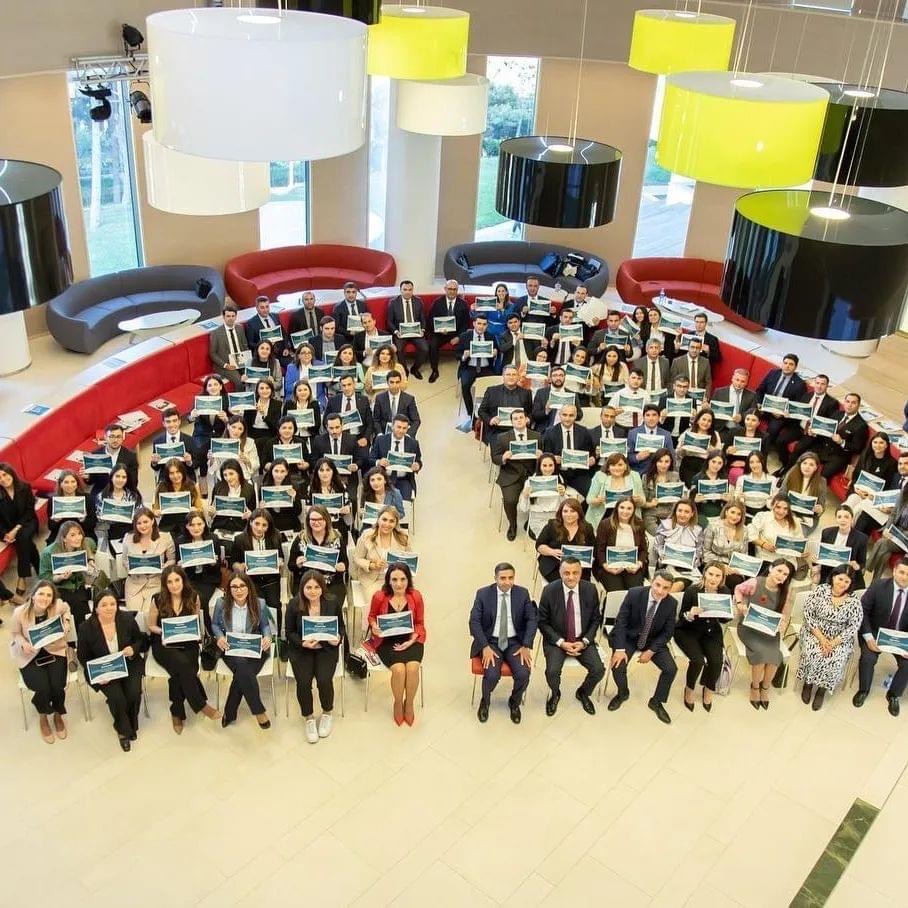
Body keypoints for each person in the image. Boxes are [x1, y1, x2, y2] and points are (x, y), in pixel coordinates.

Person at [147, 565, 220, 732]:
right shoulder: (157, 599)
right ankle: (200, 704)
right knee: (183, 664)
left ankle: (177, 711)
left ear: (183, 580)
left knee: (180, 670)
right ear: (165, 584)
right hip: (163, 644)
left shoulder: (194, 597)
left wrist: (189, 633)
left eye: (177, 580)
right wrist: (165, 632)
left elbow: (194, 623)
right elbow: (151, 625)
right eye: (169, 582)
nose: (174, 585)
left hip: (187, 641)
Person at [77, 588, 145, 751]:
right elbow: (83, 657)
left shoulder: (127, 619)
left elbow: (141, 640)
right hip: (103, 669)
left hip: (128, 663)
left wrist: (133, 649)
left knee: (133, 693)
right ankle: (123, 731)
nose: (109, 608)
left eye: (112, 604)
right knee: (117, 698)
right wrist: (98, 675)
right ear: (96, 608)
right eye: (104, 605)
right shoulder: (86, 628)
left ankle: (131, 724)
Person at [468, 562, 536, 724]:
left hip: (514, 642)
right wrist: (484, 646)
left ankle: (514, 702)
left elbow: (532, 620)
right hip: (491, 641)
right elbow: (474, 622)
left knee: (523, 674)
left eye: (510, 578)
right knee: (492, 674)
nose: (507, 582)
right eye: (503, 578)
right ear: (495, 578)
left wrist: (526, 645)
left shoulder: (522, 593)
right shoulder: (483, 594)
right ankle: (485, 701)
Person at [608, 570, 679, 724]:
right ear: (651, 582)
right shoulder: (634, 594)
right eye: (657, 585)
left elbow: (668, 632)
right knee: (618, 666)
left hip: (653, 640)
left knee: (671, 669)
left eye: (665, 588)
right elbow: (621, 622)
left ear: (670, 589)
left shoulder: (671, 603)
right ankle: (622, 693)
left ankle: (656, 702)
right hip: (630, 637)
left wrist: (652, 650)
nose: (660, 591)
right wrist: (619, 650)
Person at [537, 557, 604, 716]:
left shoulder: (590, 589)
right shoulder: (549, 591)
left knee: (598, 670)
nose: (571, 577)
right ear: (560, 573)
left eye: (575, 573)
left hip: (582, 639)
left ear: (581, 573)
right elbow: (542, 622)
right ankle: (555, 694)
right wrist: (561, 642)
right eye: (566, 573)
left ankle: (583, 693)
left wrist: (585, 641)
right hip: (557, 641)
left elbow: (596, 619)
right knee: (552, 672)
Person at [9, 581, 72, 743]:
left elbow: (67, 609)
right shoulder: (19, 613)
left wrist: (66, 622)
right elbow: (15, 633)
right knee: (42, 686)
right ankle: (43, 715)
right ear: (33, 595)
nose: (45, 598)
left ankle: (58, 713)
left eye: (49, 595)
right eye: (41, 594)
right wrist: (23, 643)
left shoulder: (57, 605)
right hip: (30, 654)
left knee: (58, 684)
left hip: (54, 649)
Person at [285, 570, 344, 743]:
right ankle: (309, 718)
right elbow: (289, 632)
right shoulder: (294, 604)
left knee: (324, 679)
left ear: (322, 587)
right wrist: (302, 643)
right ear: (302, 588)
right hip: (302, 649)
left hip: (326, 648)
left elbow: (341, 627)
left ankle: (327, 712)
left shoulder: (332, 602)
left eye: (316, 587)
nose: (312, 591)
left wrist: (338, 638)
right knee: (303, 681)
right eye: (308, 587)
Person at [365, 562, 426, 726]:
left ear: (408, 579)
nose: (399, 584)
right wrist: (374, 626)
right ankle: (398, 703)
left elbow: (420, 622)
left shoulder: (416, 596)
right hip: (386, 641)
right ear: (388, 580)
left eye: (403, 579)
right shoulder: (379, 597)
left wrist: (411, 640)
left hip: (411, 640)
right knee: (399, 670)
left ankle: (409, 703)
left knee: (412, 668)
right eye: (394, 580)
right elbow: (371, 616)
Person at [212, 571, 273, 729]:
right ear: (229, 589)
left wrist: (267, 637)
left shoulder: (259, 603)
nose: (238, 590)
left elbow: (265, 626)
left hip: (255, 647)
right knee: (241, 665)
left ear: (248, 587)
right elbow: (215, 625)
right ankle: (259, 711)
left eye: (242, 586)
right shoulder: (221, 603)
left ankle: (229, 712)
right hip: (230, 647)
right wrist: (219, 637)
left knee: (242, 673)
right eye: (234, 587)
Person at [797, 567, 863, 711]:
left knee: (835, 659)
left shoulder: (854, 601)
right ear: (833, 577)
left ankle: (822, 690)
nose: (842, 583)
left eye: (847, 581)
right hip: (815, 632)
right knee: (812, 653)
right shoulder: (821, 590)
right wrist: (821, 639)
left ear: (851, 583)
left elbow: (854, 626)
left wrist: (833, 643)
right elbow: (808, 614)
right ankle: (808, 684)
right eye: (840, 579)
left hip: (839, 638)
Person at [734, 558, 794, 709]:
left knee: (775, 657)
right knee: (761, 656)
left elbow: (785, 615)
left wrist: (782, 625)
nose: (781, 576)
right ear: (771, 568)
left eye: (785, 574)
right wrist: (740, 603)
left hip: (769, 630)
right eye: (779, 571)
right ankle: (755, 687)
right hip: (749, 627)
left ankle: (765, 688)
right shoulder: (755, 582)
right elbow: (738, 589)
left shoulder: (785, 592)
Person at [853, 560, 908, 715]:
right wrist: (868, 637)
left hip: (901, 637)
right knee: (867, 658)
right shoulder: (878, 585)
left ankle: (893, 695)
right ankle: (863, 690)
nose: (904, 577)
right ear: (894, 571)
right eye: (902, 572)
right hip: (875, 632)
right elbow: (862, 611)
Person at [674, 563, 731, 713]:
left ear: (722, 578)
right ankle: (689, 689)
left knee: (716, 661)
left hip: (711, 631)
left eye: (717, 576)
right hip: (688, 631)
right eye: (711, 574)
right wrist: (690, 614)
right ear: (704, 573)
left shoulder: (725, 592)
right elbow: (682, 617)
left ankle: (709, 688)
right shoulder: (692, 590)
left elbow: (724, 620)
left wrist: (728, 614)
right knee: (697, 660)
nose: (713, 578)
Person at [791, 391, 868, 479]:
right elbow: (824, 430)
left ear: (858, 405)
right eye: (847, 401)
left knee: (823, 476)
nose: (849, 405)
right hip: (823, 448)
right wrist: (815, 431)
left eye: (853, 403)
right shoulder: (837, 414)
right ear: (844, 402)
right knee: (803, 461)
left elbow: (857, 448)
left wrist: (842, 442)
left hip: (839, 456)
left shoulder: (861, 425)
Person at [231, 509, 284, 634]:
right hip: (250, 581)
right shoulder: (240, 539)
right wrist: (239, 566)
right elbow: (233, 562)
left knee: (274, 607)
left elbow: (281, 556)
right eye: (257, 524)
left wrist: (280, 562)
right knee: (255, 607)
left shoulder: (276, 536)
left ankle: (275, 637)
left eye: (264, 525)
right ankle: (257, 636)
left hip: (271, 580)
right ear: (250, 522)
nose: (260, 528)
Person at [490, 408, 540, 540]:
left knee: (538, 498)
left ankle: (531, 523)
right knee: (510, 500)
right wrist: (503, 457)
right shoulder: (502, 438)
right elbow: (495, 457)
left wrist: (540, 456)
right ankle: (513, 525)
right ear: (511, 422)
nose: (519, 420)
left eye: (521, 417)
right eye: (515, 419)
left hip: (531, 474)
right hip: (511, 474)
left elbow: (546, 458)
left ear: (526, 420)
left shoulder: (537, 436)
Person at [38, 520, 98, 628]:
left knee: (86, 609)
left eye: (79, 534)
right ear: (64, 538)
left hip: (79, 587)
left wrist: (90, 559)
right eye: (73, 535)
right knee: (76, 607)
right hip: (60, 589)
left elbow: (91, 543)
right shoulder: (48, 553)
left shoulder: (83, 543)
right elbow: (44, 578)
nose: (78, 537)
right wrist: (60, 577)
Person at [288, 505, 347, 611]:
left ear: (326, 520)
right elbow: (290, 565)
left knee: (331, 607)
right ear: (308, 521)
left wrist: (342, 566)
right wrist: (297, 564)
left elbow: (345, 562)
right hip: (305, 583)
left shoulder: (337, 538)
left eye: (320, 519)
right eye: (313, 519)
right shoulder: (300, 538)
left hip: (332, 583)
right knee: (302, 607)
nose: (316, 522)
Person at [779, 374, 841, 470]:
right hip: (800, 427)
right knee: (780, 441)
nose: (819, 386)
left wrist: (817, 431)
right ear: (814, 383)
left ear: (827, 386)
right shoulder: (807, 395)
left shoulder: (832, 403)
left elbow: (829, 423)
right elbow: (798, 412)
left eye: (822, 384)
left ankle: (785, 472)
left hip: (813, 434)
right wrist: (789, 414)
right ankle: (785, 464)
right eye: (817, 383)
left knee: (798, 449)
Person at [122, 507, 176, 618]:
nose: (143, 526)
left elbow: (172, 560)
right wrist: (131, 568)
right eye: (139, 523)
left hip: (155, 583)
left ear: (152, 521)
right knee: (134, 618)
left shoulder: (165, 538)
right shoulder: (128, 538)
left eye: (145, 522)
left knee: (148, 616)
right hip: (134, 584)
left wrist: (162, 567)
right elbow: (124, 560)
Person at [352, 506, 411, 602]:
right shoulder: (367, 535)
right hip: (372, 580)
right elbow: (357, 558)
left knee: (402, 603)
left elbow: (409, 561)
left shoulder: (403, 537)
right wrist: (371, 565)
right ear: (378, 519)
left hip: (397, 581)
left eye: (391, 521)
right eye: (384, 519)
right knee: (378, 602)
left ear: (396, 523)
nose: (387, 524)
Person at [755, 353, 808, 458]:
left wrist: (783, 414)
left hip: (780, 414)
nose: (787, 366)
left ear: (795, 367)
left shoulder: (800, 384)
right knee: (750, 415)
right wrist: (759, 403)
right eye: (785, 363)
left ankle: (762, 453)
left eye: (791, 364)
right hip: (765, 407)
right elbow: (759, 390)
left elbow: (797, 405)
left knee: (773, 429)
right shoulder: (773, 373)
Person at [0, 462, 41, 600]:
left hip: (27, 522)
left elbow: (29, 511)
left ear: (11, 473)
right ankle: (39, 566)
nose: (3, 479)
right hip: (7, 528)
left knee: (22, 536)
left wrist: (16, 529)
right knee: (26, 542)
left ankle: (22, 576)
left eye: (5, 474)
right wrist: (5, 534)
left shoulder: (24, 487)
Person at [517, 454, 581, 540]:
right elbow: (523, 509)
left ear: (555, 466)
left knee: (558, 540)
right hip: (537, 517)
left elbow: (565, 506)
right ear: (539, 466)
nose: (548, 469)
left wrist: (563, 494)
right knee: (544, 539)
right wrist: (525, 496)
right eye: (544, 465)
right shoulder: (530, 482)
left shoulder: (559, 479)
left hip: (555, 517)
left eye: (551, 465)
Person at [843, 434, 899, 529]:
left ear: (886, 445)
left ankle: (848, 530)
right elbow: (856, 475)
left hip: (874, 498)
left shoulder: (892, 463)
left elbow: (889, 487)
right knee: (849, 503)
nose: (877, 445)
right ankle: (842, 528)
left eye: (881, 443)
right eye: (875, 442)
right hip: (859, 492)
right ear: (871, 443)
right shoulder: (865, 456)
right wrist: (857, 490)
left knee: (858, 509)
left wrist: (873, 497)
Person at [174, 509, 221, 621]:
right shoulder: (180, 541)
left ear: (205, 524)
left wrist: (213, 563)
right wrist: (180, 567)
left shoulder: (213, 539)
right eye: (192, 525)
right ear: (187, 526)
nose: (196, 528)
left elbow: (218, 567)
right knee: (185, 598)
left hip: (207, 579)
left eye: (199, 524)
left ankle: (206, 626)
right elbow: (177, 569)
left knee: (199, 598)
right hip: (188, 579)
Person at [541, 404, 597, 496]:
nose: (567, 418)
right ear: (560, 415)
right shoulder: (550, 433)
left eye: (571, 415)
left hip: (579, 474)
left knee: (591, 495)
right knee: (556, 494)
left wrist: (593, 458)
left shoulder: (584, 432)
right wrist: (552, 458)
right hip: (558, 472)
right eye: (565, 415)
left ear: (575, 416)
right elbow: (545, 455)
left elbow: (592, 452)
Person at [593, 497, 647, 591]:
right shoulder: (605, 524)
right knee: (617, 592)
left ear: (634, 510)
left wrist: (638, 564)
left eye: (629, 508)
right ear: (616, 508)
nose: (625, 511)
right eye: (622, 507)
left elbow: (643, 549)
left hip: (632, 567)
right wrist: (607, 567)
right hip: (609, 567)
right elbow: (599, 550)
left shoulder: (639, 524)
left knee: (636, 591)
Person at [535, 499, 595, 583]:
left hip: (580, 568)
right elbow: (539, 545)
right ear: (561, 513)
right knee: (562, 585)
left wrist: (585, 562)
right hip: (554, 565)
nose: (569, 514)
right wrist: (551, 551)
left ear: (579, 513)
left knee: (582, 586)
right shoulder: (552, 525)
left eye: (572, 511)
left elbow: (593, 549)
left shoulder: (587, 528)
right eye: (565, 511)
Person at [812, 505, 868, 591]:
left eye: (846, 517)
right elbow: (822, 555)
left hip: (848, 573)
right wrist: (815, 561)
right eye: (839, 517)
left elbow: (862, 563)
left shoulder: (861, 538)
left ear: (852, 519)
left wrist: (856, 566)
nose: (843, 520)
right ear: (836, 519)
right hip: (829, 571)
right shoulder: (827, 533)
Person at [370, 415, 423, 503]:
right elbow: (370, 459)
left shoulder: (413, 443)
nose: (401, 431)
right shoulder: (381, 440)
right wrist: (379, 462)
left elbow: (419, 461)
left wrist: (417, 466)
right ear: (392, 426)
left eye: (404, 428)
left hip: (404, 480)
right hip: (384, 479)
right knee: (383, 504)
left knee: (404, 505)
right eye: (399, 427)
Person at [585, 453, 644, 530]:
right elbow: (589, 499)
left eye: (620, 465)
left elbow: (643, 501)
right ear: (608, 467)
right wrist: (597, 500)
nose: (617, 468)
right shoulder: (600, 476)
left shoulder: (634, 476)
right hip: (605, 515)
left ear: (626, 466)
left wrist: (639, 500)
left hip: (628, 515)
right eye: (613, 465)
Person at [654, 499, 704, 591]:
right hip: (667, 565)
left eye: (686, 512)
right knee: (675, 584)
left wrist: (694, 560)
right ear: (675, 511)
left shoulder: (698, 530)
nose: (682, 514)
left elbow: (699, 551)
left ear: (692, 514)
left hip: (688, 569)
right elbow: (657, 546)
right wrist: (662, 554)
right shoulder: (665, 525)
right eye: (680, 510)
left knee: (692, 585)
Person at [477, 365, 533, 444]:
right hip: (497, 430)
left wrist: (528, 419)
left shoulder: (526, 393)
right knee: (500, 450)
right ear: (503, 376)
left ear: (518, 377)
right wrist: (490, 420)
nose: (511, 377)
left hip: (519, 430)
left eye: (514, 375)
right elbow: (481, 411)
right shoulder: (492, 391)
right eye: (508, 374)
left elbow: (531, 412)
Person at [427, 279, 470, 382]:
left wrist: (459, 337)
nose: (452, 291)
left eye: (454, 289)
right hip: (440, 333)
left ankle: (465, 369)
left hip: (456, 333)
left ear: (457, 290)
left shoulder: (463, 304)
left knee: (466, 342)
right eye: (450, 289)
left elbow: (465, 324)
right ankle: (434, 370)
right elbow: (430, 320)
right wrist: (439, 330)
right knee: (433, 344)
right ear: (445, 289)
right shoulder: (437, 302)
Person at [189, 374, 230, 480]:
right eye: (210, 385)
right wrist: (192, 416)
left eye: (216, 384)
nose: (213, 387)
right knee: (199, 453)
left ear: (221, 386)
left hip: (220, 434)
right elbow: (189, 418)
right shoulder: (199, 400)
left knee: (222, 456)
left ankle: (219, 478)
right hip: (202, 434)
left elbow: (234, 422)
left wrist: (226, 419)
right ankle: (202, 479)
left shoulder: (227, 400)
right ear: (206, 388)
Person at [749, 495, 805, 572]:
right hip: (767, 559)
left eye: (785, 509)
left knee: (783, 574)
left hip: (788, 561)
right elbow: (751, 534)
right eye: (778, 507)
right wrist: (763, 544)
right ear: (772, 506)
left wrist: (800, 552)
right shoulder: (763, 516)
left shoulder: (795, 521)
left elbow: (800, 542)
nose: (781, 512)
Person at [776, 451, 827, 533]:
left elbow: (822, 505)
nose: (807, 467)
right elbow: (782, 493)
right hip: (788, 511)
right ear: (800, 464)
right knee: (779, 530)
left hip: (808, 517)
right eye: (805, 463)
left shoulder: (822, 482)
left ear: (816, 467)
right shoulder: (791, 474)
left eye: (811, 465)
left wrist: (820, 509)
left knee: (797, 534)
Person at [387, 279, 429, 379]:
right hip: (400, 332)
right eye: (405, 289)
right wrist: (396, 332)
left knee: (425, 349)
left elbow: (423, 318)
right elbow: (389, 321)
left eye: (410, 290)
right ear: (400, 290)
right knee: (399, 349)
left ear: (412, 290)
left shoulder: (418, 301)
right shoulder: (393, 302)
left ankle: (415, 368)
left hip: (415, 332)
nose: (407, 292)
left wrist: (422, 330)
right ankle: (404, 370)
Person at [702, 500, 749, 589]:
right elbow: (706, 552)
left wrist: (737, 569)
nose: (735, 517)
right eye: (732, 512)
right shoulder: (713, 526)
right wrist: (722, 566)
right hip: (714, 563)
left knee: (737, 581)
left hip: (732, 567)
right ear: (726, 512)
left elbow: (744, 555)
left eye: (739, 514)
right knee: (726, 580)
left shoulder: (744, 530)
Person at [457, 313, 499, 415]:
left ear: (487, 325)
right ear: (474, 324)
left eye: (484, 324)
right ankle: (471, 414)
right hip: (469, 367)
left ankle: (488, 412)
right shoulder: (464, 336)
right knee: (465, 385)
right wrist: (464, 356)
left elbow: (497, 350)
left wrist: (495, 353)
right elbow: (457, 354)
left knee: (495, 387)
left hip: (486, 368)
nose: (481, 326)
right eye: (479, 323)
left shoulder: (491, 336)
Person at [865, 484, 908, 581]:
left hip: (906, 539)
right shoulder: (905, 492)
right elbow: (894, 513)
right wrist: (887, 529)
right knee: (885, 550)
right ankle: (876, 581)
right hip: (896, 530)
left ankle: (865, 568)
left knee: (882, 543)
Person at [94, 464, 142, 547]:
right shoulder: (101, 496)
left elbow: (140, 514)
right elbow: (99, 518)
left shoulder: (133, 495)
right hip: (110, 530)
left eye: (124, 477)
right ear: (111, 477)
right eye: (117, 476)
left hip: (131, 530)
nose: (120, 480)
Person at [209, 458, 257, 541]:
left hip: (241, 528)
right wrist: (211, 513)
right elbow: (213, 511)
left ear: (239, 473)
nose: (228, 478)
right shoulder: (218, 487)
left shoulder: (249, 489)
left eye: (231, 474)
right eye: (225, 475)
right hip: (220, 527)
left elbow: (254, 513)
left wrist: (250, 515)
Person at [152, 458, 205, 535]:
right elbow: (154, 510)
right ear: (167, 475)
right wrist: (156, 512)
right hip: (167, 523)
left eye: (178, 472)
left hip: (188, 523)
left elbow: (200, 509)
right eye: (171, 473)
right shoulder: (161, 486)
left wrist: (195, 510)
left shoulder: (192, 485)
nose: (175, 476)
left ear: (183, 472)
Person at [150, 407, 200, 483]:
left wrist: (189, 462)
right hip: (166, 478)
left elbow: (196, 463)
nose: (172, 424)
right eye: (168, 422)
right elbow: (156, 468)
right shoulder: (157, 441)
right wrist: (154, 463)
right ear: (163, 423)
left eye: (174, 421)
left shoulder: (190, 440)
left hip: (186, 477)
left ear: (179, 421)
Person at [324, 374, 375, 449]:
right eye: (344, 385)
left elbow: (370, 423)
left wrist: (365, 438)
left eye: (349, 384)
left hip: (359, 439)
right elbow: (325, 421)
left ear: (354, 385)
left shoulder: (363, 400)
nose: (346, 388)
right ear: (340, 387)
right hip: (339, 439)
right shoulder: (333, 401)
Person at [46, 470, 96, 545]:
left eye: (73, 482)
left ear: (77, 483)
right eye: (66, 482)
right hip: (61, 534)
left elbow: (92, 524)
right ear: (60, 484)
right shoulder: (53, 500)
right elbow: (51, 527)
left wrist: (83, 520)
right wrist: (55, 521)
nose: (70, 485)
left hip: (83, 532)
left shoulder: (88, 498)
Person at [676, 408, 723, 486]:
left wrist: (712, 450)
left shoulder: (715, 435)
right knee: (692, 486)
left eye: (709, 421)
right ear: (698, 420)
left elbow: (719, 455)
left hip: (706, 465)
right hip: (688, 464)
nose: (706, 423)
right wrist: (682, 449)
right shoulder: (688, 432)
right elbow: (678, 454)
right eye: (704, 419)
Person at [711, 368, 757, 444]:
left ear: (747, 382)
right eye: (737, 380)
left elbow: (753, 413)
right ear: (732, 378)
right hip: (721, 428)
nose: (739, 383)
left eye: (743, 381)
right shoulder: (719, 392)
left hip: (741, 430)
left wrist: (742, 417)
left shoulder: (752, 396)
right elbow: (711, 412)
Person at [641, 448, 681, 535]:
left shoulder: (675, 476)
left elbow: (680, 497)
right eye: (660, 461)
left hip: (670, 513)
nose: (663, 465)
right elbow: (642, 502)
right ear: (655, 462)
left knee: (674, 533)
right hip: (651, 514)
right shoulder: (646, 477)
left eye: (666, 462)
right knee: (660, 535)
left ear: (670, 463)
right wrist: (651, 504)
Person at [208, 303, 249, 388]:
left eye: (233, 316)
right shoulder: (216, 333)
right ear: (223, 317)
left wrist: (247, 361)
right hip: (225, 364)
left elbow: (245, 346)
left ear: (236, 316)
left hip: (241, 361)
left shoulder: (240, 328)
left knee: (253, 376)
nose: (231, 318)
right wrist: (225, 365)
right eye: (228, 316)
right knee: (239, 381)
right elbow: (212, 353)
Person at [260, 458, 304, 534]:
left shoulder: (294, 487)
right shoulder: (264, 488)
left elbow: (298, 512)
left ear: (287, 472)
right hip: (272, 527)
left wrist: (294, 499)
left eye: (282, 471)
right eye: (276, 471)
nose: (279, 475)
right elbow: (262, 516)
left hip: (291, 526)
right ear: (271, 471)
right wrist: (261, 509)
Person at [627, 404, 674, 474]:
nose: (651, 418)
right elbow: (627, 456)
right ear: (643, 417)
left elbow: (672, 456)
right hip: (639, 473)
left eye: (654, 415)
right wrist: (637, 457)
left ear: (659, 417)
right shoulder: (633, 433)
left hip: (660, 473)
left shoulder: (666, 435)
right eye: (648, 415)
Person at [373, 369, 421, 437]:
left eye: (397, 382)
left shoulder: (409, 399)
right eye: (392, 382)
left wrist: (408, 434)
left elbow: (416, 420)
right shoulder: (380, 398)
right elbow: (376, 420)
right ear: (387, 383)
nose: (394, 385)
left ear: (400, 382)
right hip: (385, 435)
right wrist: (380, 434)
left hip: (404, 434)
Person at [531, 366, 581, 431]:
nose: (558, 378)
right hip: (545, 430)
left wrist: (572, 413)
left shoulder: (572, 394)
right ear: (550, 378)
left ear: (564, 377)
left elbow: (580, 415)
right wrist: (546, 411)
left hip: (565, 430)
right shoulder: (541, 393)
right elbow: (535, 415)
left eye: (561, 375)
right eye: (555, 375)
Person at [243, 377, 282, 460]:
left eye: (267, 388)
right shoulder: (251, 402)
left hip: (269, 434)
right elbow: (246, 423)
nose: (264, 391)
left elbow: (275, 427)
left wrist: (264, 415)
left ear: (271, 390)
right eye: (261, 388)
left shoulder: (277, 404)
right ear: (257, 390)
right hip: (252, 434)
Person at [725, 411, 768, 485]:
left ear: (758, 423)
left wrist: (746, 464)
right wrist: (728, 451)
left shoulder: (765, 437)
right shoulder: (733, 432)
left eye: (753, 420)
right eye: (747, 419)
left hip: (754, 466)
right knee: (740, 476)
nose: (749, 422)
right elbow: (724, 452)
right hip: (735, 465)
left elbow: (763, 458)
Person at [358, 467, 405, 531]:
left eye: (379, 479)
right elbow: (364, 517)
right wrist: (361, 514)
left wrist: (391, 515)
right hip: (371, 527)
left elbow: (402, 514)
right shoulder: (366, 493)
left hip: (389, 527)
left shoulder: (395, 493)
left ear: (385, 480)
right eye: (372, 480)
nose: (376, 483)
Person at [734, 451, 776, 520]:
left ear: (763, 462)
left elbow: (772, 506)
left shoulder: (772, 480)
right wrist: (740, 498)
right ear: (748, 464)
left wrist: (770, 500)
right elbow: (736, 500)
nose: (755, 465)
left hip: (764, 513)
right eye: (751, 462)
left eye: (758, 462)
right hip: (745, 513)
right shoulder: (741, 479)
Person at [690, 450, 729, 525]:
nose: (716, 465)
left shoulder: (724, 478)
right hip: (701, 514)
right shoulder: (697, 478)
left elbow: (727, 502)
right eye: (713, 462)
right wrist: (695, 500)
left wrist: (727, 499)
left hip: (719, 513)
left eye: (719, 463)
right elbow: (690, 500)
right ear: (708, 461)